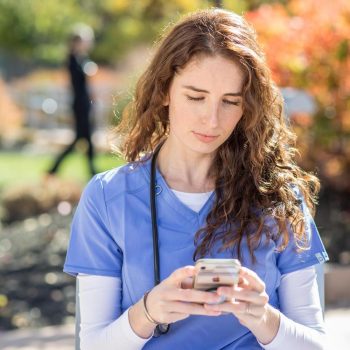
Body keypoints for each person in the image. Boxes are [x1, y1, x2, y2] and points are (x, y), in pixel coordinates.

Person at [63, 9, 328, 350]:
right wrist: (148, 312)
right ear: (164, 91)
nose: (212, 119)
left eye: (230, 102)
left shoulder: (276, 197)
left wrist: (264, 319)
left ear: (247, 106)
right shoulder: (108, 197)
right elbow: (93, 346)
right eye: (195, 96)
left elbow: (317, 345)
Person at [48, 24, 97, 177]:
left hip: (84, 103)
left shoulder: (83, 59)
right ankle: (54, 169)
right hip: (79, 105)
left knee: (85, 139)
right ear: (76, 42)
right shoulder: (73, 60)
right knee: (81, 139)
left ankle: (90, 171)